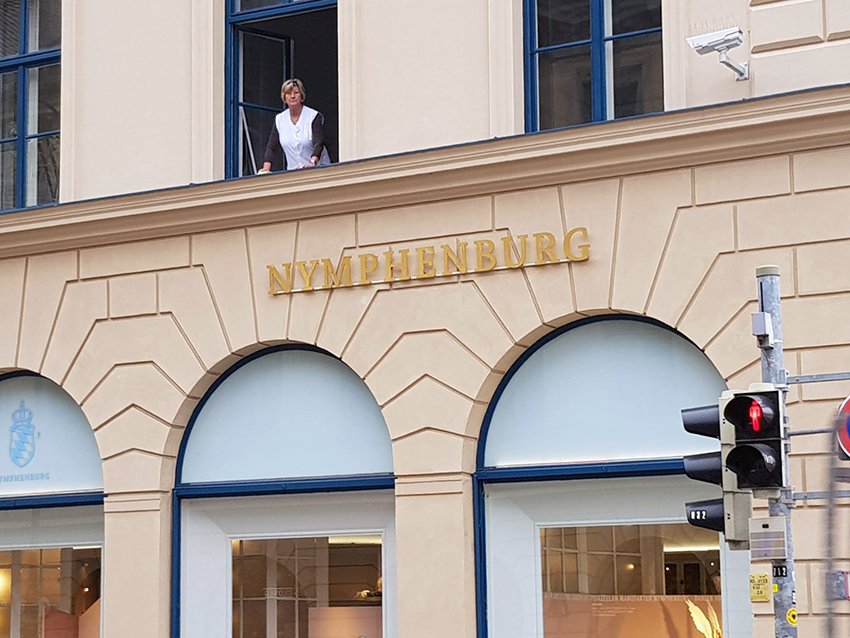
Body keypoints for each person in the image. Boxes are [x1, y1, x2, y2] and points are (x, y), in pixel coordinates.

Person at [258, 78, 330, 173]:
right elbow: (272, 147)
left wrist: (313, 162)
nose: (292, 96)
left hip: (317, 170)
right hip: (293, 173)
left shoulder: (313, 116)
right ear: (284, 97)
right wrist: (266, 168)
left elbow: (318, 142)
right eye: (288, 93)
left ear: (301, 95)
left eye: (296, 93)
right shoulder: (280, 119)